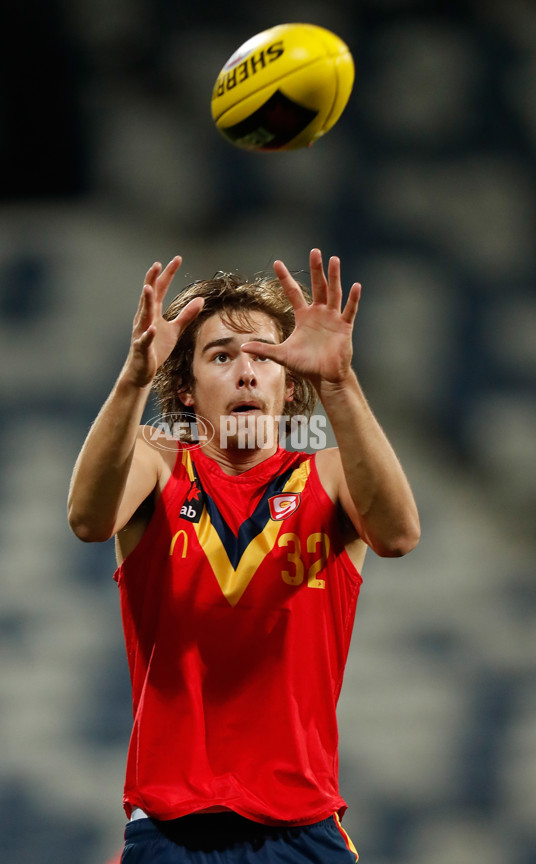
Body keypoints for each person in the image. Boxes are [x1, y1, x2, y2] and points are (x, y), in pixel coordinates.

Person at [68, 248, 420, 863]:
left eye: (265, 356)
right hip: (169, 829)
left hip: (303, 828)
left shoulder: (334, 478)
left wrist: (338, 380)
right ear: (184, 391)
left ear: (288, 385)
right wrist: (132, 380)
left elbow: (398, 535)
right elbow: (88, 520)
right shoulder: (158, 462)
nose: (247, 372)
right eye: (221, 356)